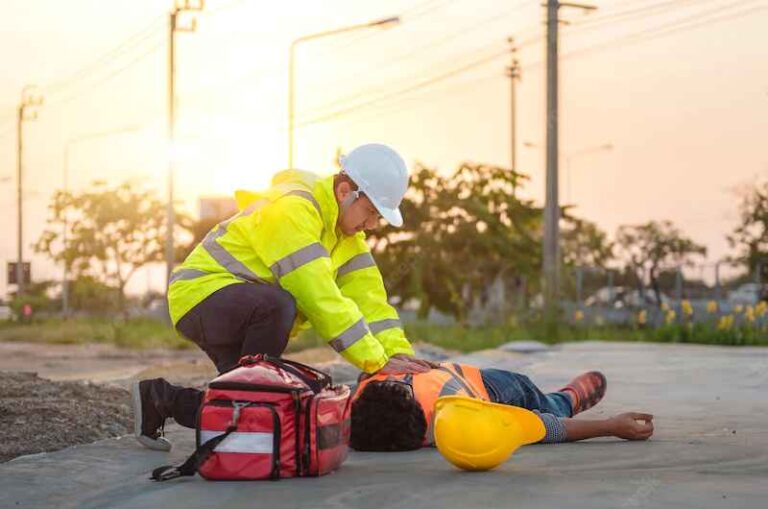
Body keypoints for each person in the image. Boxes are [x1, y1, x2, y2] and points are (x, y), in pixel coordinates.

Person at [133, 143, 433, 452]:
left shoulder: (347, 240)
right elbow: (318, 297)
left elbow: (373, 306)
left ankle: (160, 399)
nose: (371, 225)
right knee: (279, 306)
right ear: (345, 192)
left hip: (241, 310)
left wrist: (400, 358)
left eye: (377, 218)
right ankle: (231, 403)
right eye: (370, 212)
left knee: (257, 409)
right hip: (201, 297)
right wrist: (377, 361)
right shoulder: (294, 209)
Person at [350, 363, 654, 451]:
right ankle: (564, 399)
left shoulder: (457, 412)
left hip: (488, 384)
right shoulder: (359, 394)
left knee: (535, 398)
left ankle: (562, 399)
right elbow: (540, 427)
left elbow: (541, 427)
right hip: (465, 380)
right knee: (543, 410)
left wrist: (611, 426)